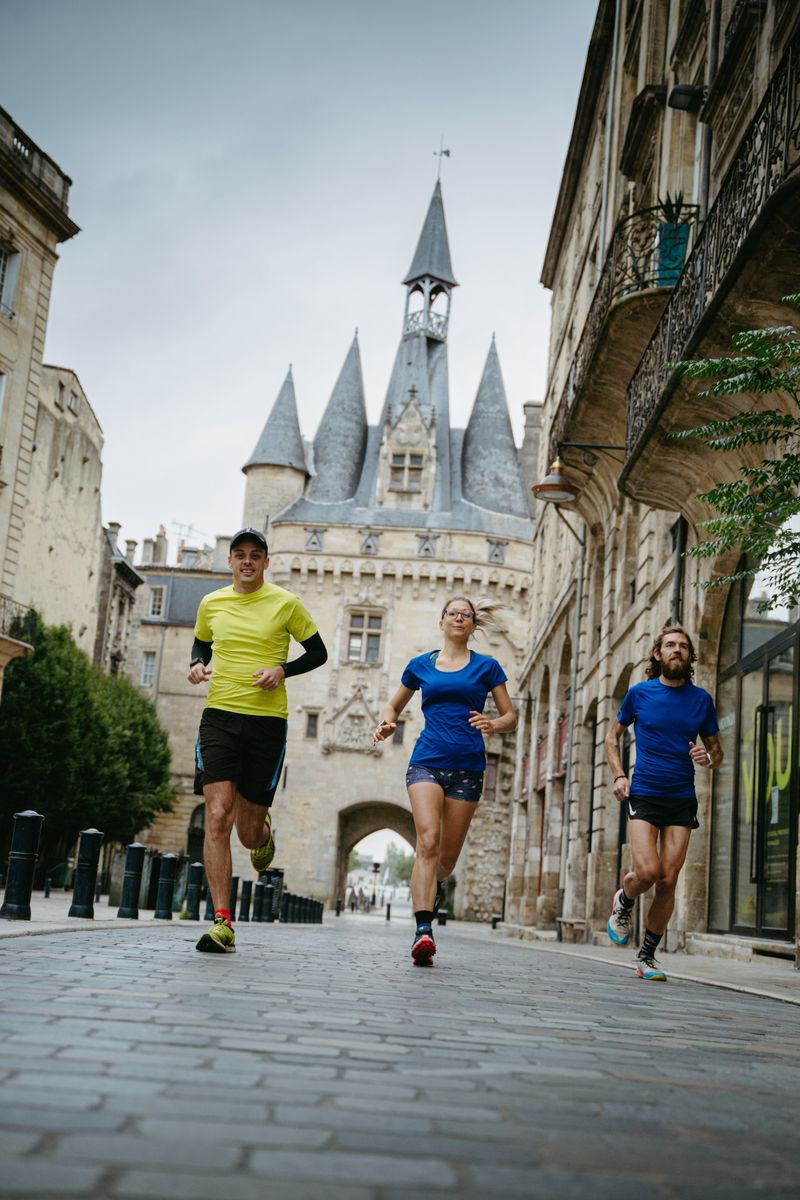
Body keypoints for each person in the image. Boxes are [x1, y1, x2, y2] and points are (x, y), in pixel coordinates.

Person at [188, 527, 327, 953]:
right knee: (216, 815)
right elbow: (201, 643)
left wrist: (282, 670)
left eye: (255, 555)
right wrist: (196, 664)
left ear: (266, 562)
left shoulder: (287, 604)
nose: (247, 561)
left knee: (246, 833)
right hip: (220, 718)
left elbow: (317, 653)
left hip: (267, 723)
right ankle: (222, 922)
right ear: (230, 561)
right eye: (240, 554)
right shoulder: (211, 603)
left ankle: (263, 834)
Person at [372, 596, 516, 965]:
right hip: (427, 762)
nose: (459, 618)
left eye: (466, 615)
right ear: (442, 621)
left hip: (468, 768)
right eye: (453, 613)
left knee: (446, 860)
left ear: (473, 625)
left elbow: (509, 715)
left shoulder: (487, 666)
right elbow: (394, 705)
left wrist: (493, 724)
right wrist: (386, 723)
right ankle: (423, 930)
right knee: (429, 841)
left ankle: (425, 892)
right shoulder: (420, 665)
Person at [605, 623, 722, 980]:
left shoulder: (701, 700)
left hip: (681, 798)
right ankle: (624, 899)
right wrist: (620, 775)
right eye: (669, 645)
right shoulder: (639, 693)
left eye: (683, 647)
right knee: (648, 872)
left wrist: (709, 757)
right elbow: (612, 739)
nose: (676, 650)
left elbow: (717, 751)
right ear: (657, 653)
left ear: (689, 656)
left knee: (668, 880)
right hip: (644, 793)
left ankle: (647, 956)